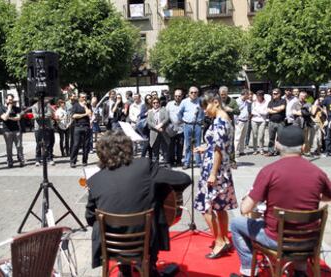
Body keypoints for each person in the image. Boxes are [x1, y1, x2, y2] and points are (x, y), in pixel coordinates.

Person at [85, 130, 191, 276]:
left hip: (110, 244)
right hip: (145, 241)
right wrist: (162, 192)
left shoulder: (94, 180)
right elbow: (184, 179)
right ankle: (150, 267)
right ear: (128, 148)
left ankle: (124, 268)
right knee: (154, 203)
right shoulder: (144, 166)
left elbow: (90, 218)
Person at [229, 125, 331, 277]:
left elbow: (245, 209)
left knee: (236, 224)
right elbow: (328, 197)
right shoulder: (318, 172)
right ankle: (300, 271)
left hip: (276, 239)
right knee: (299, 226)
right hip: (309, 238)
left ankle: (247, 270)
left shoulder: (269, 171)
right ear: (303, 147)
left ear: (277, 144)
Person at [194, 91, 238, 259]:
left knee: (204, 206)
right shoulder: (225, 118)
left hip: (215, 169)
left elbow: (219, 149)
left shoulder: (219, 121)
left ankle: (219, 241)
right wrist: (206, 147)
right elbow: (218, 144)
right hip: (223, 169)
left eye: (206, 106)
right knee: (220, 207)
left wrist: (212, 173)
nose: (205, 111)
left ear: (215, 102)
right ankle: (225, 239)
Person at [178, 86, 204, 170]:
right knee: (188, 145)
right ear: (189, 93)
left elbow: (204, 111)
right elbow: (179, 113)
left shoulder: (200, 101)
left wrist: (202, 120)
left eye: (195, 92)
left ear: (198, 93)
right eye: (192, 92)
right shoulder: (184, 102)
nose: (193, 94)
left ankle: (199, 162)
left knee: (198, 144)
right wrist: (183, 121)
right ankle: (187, 162)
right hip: (187, 125)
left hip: (197, 125)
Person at [0, 94, 25, 168]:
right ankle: (10, 161)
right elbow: (4, 118)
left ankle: (21, 160)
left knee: (19, 146)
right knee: (9, 147)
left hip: (16, 130)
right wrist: (9, 109)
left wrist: (9, 117)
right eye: (9, 99)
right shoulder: (2, 108)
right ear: (6, 99)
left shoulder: (17, 108)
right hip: (7, 130)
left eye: (12, 99)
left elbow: (18, 118)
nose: (11, 101)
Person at [70, 92, 92, 168]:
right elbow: (74, 116)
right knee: (76, 145)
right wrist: (84, 114)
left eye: (85, 97)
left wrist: (85, 106)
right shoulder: (75, 105)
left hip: (86, 127)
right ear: (79, 98)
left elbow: (90, 115)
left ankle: (84, 161)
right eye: (82, 97)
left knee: (86, 145)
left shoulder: (88, 105)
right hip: (78, 127)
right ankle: (73, 161)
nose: (84, 98)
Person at [219, 86, 239, 168]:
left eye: (224, 94)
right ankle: (220, 161)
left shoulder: (232, 101)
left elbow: (238, 111)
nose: (223, 96)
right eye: (221, 94)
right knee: (220, 143)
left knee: (230, 144)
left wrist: (230, 110)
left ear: (227, 93)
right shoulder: (217, 101)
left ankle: (232, 161)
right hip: (220, 125)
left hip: (230, 125)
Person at [32, 97, 56, 166]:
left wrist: (40, 116)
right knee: (38, 144)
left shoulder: (47, 105)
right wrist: (43, 116)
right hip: (38, 127)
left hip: (47, 126)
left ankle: (49, 158)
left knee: (48, 144)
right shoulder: (35, 106)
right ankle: (38, 159)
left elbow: (49, 114)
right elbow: (35, 116)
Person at [147, 97, 170, 165]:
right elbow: (149, 122)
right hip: (154, 132)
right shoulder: (150, 112)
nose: (156, 104)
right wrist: (157, 127)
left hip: (163, 131)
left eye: (157, 102)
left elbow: (166, 118)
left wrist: (161, 125)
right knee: (155, 149)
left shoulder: (163, 110)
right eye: (154, 103)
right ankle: (156, 164)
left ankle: (166, 162)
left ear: (159, 103)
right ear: (152, 104)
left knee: (165, 148)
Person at [166, 89, 184, 167]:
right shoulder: (169, 104)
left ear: (182, 96)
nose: (177, 97)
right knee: (171, 146)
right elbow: (166, 115)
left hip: (182, 128)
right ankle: (171, 161)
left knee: (180, 146)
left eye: (179, 96)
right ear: (174, 96)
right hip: (171, 129)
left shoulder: (184, 104)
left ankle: (179, 161)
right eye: (176, 96)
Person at [266, 88, 286, 156]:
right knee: (271, 138)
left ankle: (279, 151)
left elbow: (282, 108)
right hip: (271, 122)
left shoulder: (283, 100)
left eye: (275, 93)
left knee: (280, 138)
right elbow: (268, 110)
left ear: (279, 94)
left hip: (280, 122)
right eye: (273, 93)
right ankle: (270, 151)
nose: (273, 95)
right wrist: (277, 110)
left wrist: (273, 109)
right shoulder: (271, 102)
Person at [250, 90, 268, 155]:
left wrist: (258, 111)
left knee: (261, 136)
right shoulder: (254, 102)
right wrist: (260, 112)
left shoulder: (266, 102)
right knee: (254, 135)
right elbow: (252, 112)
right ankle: (255, 149)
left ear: (262, 96)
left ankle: (261, 149)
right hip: (254, 120)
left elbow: (266, 112)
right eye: (257, 95)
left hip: (262, 120)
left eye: (259, 95)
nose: (258, 97)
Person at [234, 89, 250, 156]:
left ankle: (241, 151)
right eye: (248, 94)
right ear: (245, 94)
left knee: (243, 137)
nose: (249, 96)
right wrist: (236, 121)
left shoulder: (246, 101)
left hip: (246, 121)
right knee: (237, 137)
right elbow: (235, 112)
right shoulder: (237, 101)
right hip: (239, 121)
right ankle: (235, 151)